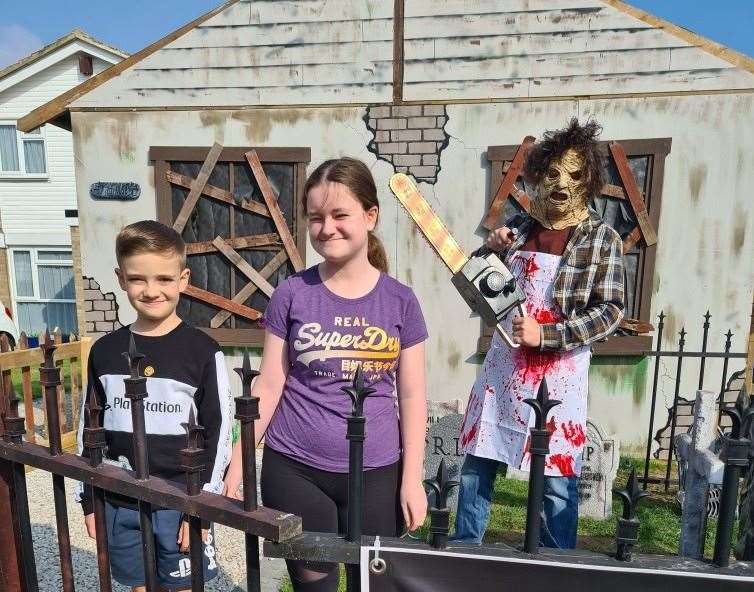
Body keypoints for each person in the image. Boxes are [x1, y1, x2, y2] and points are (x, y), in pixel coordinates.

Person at [223, 157, 428, 592]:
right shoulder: (292, 293)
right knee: (314, 588)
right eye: (316, 218)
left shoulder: (401, 302)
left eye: (340, 215)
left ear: (370, 216)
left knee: (370, 587)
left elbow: (411, 398)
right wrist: (239, 462)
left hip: (376, 473)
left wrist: (412, 479)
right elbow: (271, 382)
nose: (326, 228)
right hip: (295, 469)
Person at [453, 119, 625, 549]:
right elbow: (476, 285)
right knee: (478, 465)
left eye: (574, 174)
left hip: (559, 376)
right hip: (503, 369)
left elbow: (611, 312)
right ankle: (462, 555)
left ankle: (554, 566)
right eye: (553, 173)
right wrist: (489, 249)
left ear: (589, 180)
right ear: (539, 174)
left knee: (554, 481)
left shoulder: (602, 238)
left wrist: (546, 335)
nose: (562, 183)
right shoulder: (521, 226)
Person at [75, 220, 232, 591]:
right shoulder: (104, 351)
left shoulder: (203, 351)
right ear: (120, 277)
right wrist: (89, 500)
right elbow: (89, 429)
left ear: (184, 279)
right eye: (138, 279)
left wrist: (203, 508)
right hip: (119, 499)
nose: (151, 291)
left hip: (180, 500)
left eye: (164, 279)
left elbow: (221, 429)